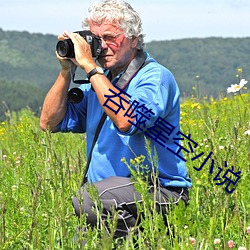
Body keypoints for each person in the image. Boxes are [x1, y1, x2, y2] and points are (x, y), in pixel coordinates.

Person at [40, 0, 192, 244]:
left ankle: (146, 241)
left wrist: (90, 67)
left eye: (110, 37)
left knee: (88, 200)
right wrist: (66, 70)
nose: (102, 47)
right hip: (110, 199)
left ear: (133, 39)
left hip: (159, 191)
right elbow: (49, 123)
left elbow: (127, 120)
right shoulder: (100, 83)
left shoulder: (154, 77)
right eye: (96, 39)